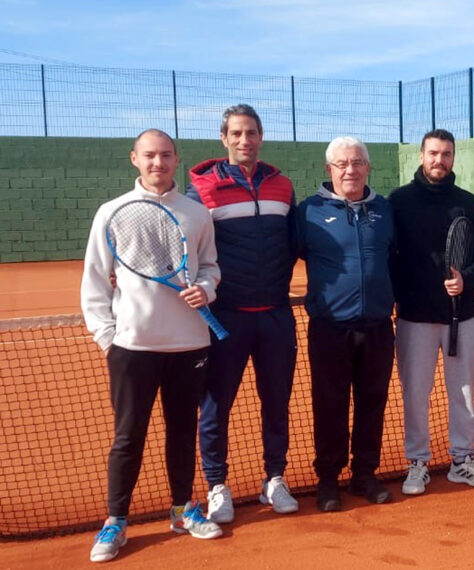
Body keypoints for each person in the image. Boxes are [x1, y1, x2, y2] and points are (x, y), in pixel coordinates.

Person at [82, 129, 222, 562]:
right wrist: (109, 339)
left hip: (189, 345)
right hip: (132, 348)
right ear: (134, 159)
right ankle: (115, 521)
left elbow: (212, 266)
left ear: (176, 160)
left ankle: (183, 510)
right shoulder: (111, 212)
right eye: (149, 156)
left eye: (165, 155)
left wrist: (206, 288)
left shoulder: (197, 214)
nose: (157, 163)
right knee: (129, 436)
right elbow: (93, 283)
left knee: (182, 433)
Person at [188, 104, 298, 522]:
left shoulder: (283, 187)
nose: (244, 141)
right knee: (215, 405)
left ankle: (275, 479)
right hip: (224, 319)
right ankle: (217, 485)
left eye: (251, 133)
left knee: (277, 402)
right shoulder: (201, 188)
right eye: (236, 133)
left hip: (274, 316)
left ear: (261, 137)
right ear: (223, 139)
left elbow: (294, 242)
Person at [389, 128, 474, 494]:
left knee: (464, 393)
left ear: (453, 158)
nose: (439, 160)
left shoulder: (467, 201)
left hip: (461, 317)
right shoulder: (399, 201)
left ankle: (462, 460)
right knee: (416, 394)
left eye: (446, 154)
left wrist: (466, 279)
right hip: (414, 319)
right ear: (421, 156)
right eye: (433, 153)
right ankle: (417, 462)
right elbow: (389, 256)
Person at [296, 136, 395, 512]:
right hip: (330, 329)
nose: (350, 170)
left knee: (373, 402)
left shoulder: (385, 210)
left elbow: (394, 257)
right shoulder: (308, 213)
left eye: (357, 163)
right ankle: (327, 480)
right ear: (329, 170)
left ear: (367, 167)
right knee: (330, 405)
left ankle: (365, 474)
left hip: (377, 327)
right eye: (342, 164)